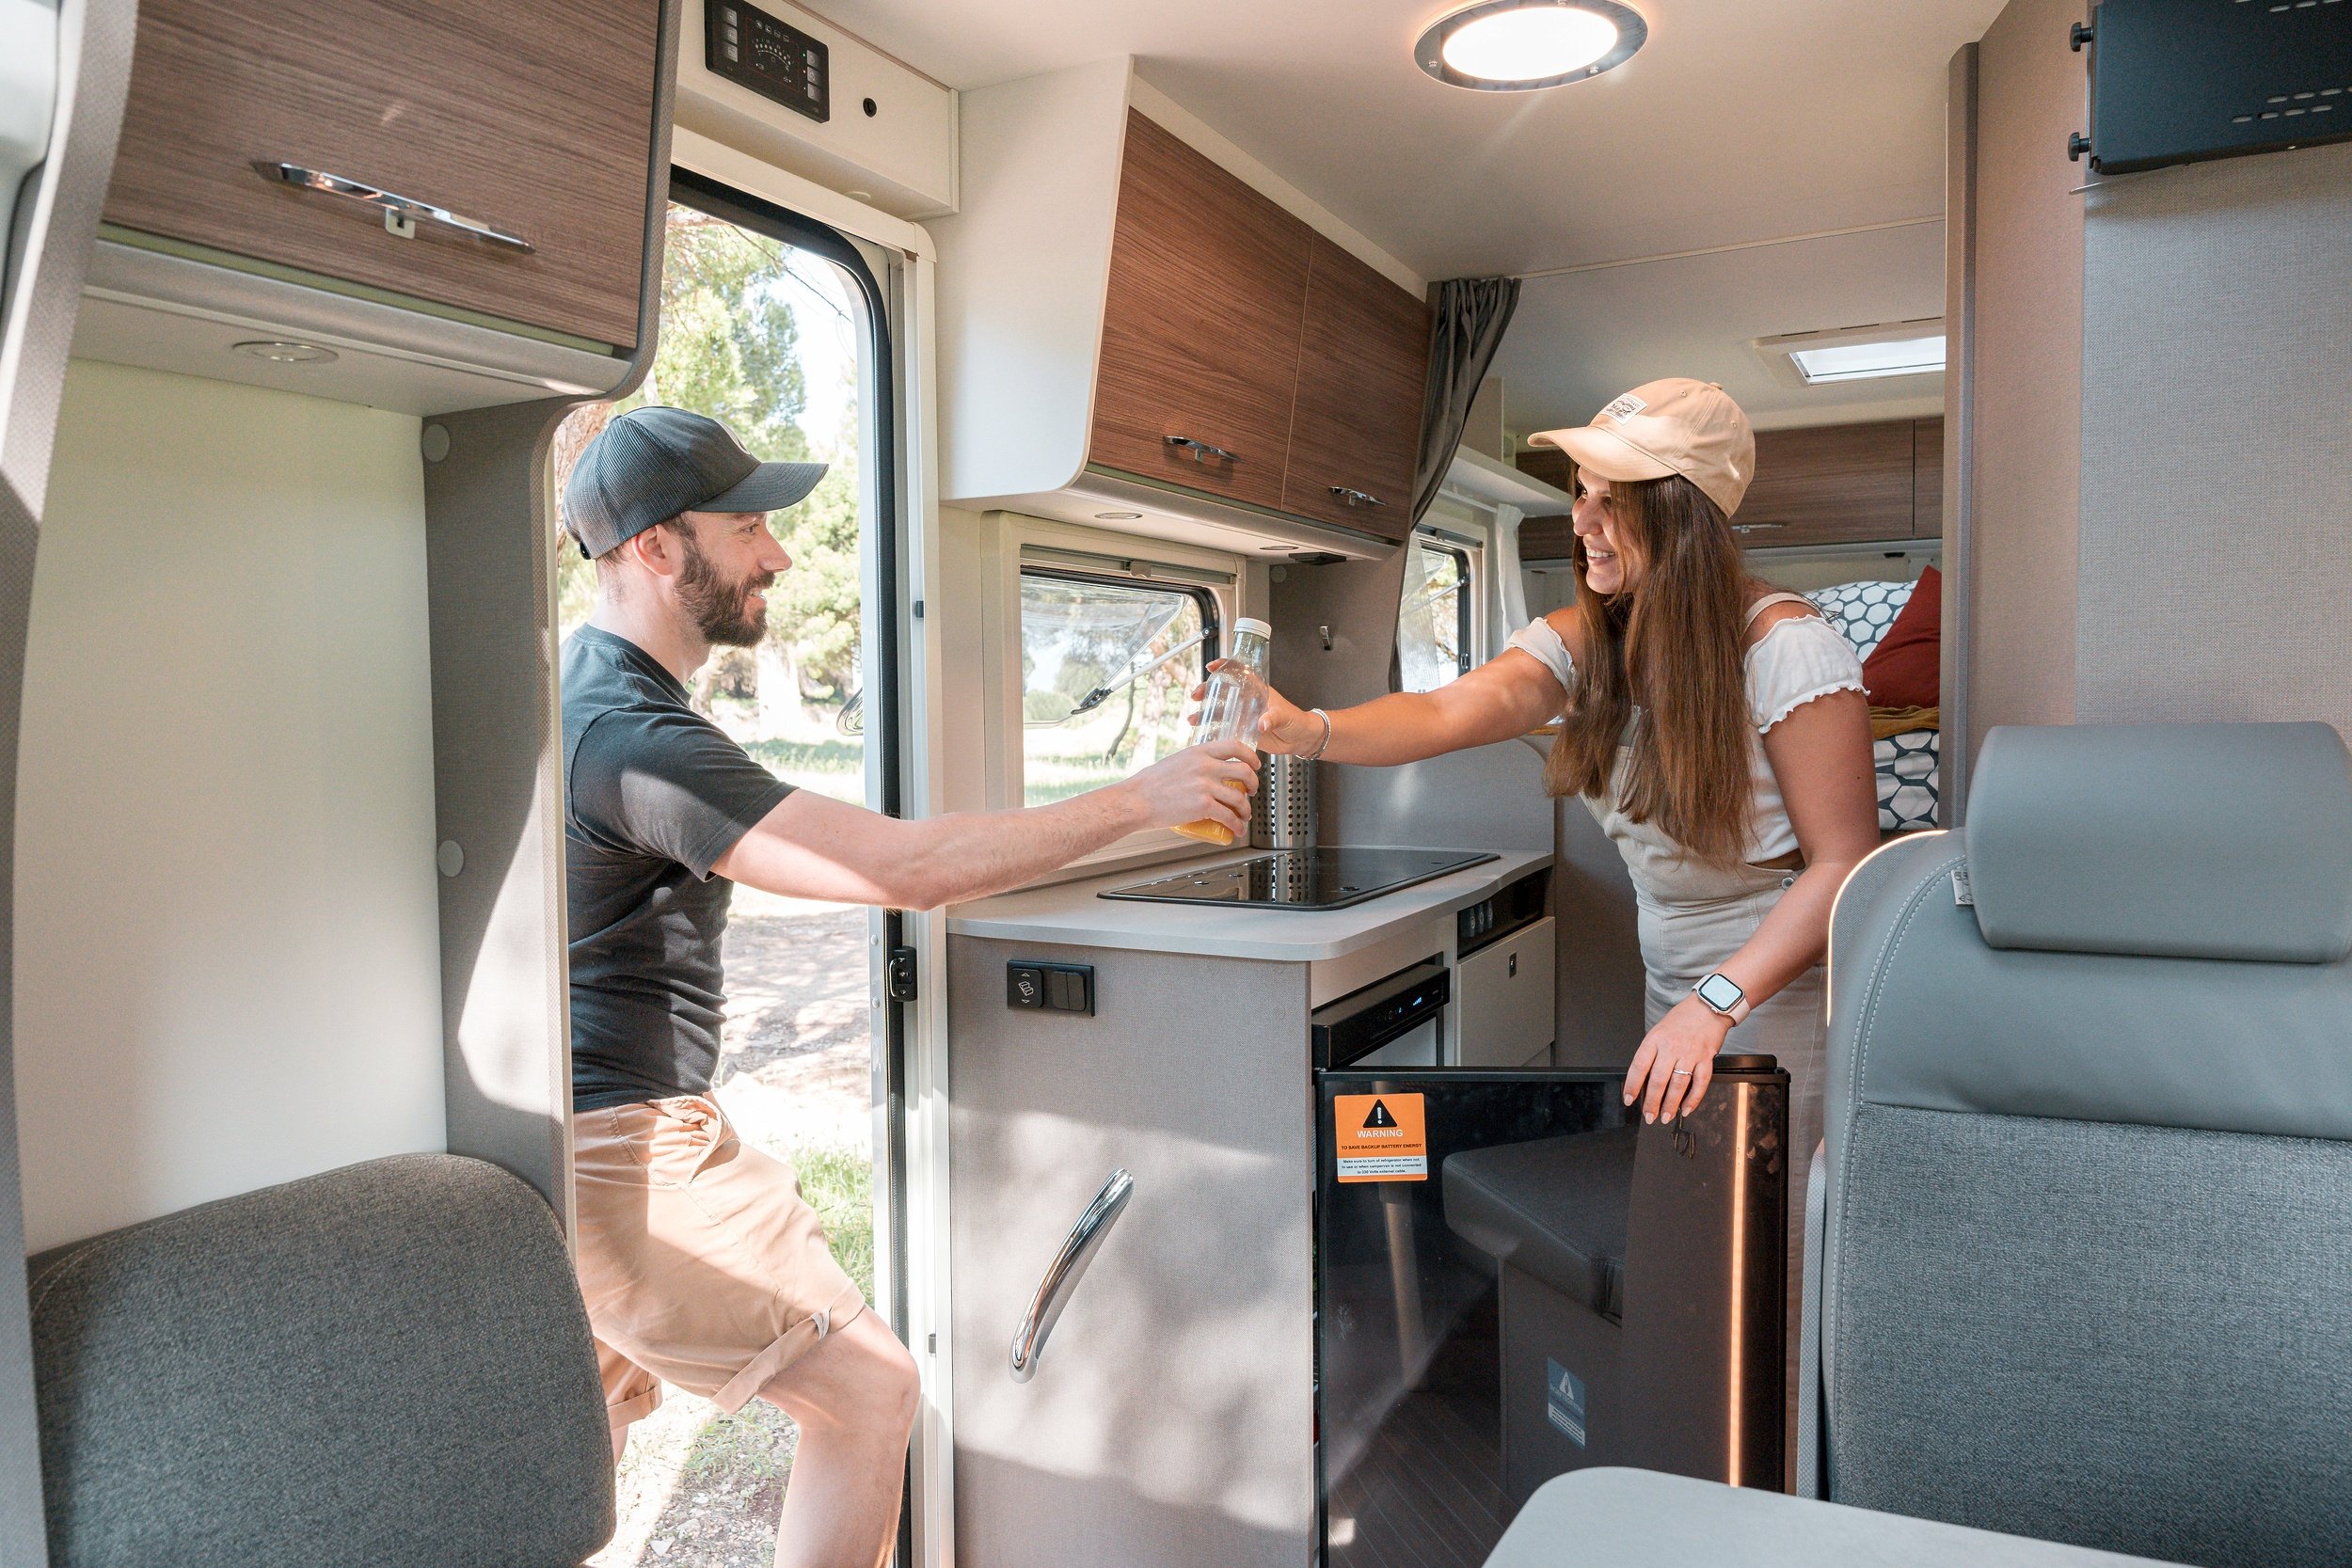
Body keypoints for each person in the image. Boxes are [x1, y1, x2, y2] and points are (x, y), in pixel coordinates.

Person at [558, 406, 1258, 1568]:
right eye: (746, 526)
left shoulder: (589, 691)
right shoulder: (630, 735)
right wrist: (1144, 797)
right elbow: (902, 868)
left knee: (579, 1445)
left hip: (583, 1137)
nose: (778, 552)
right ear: (654, 546)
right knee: (868, 1391)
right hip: (626, 1150)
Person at [1234, 378, 1878, 1471]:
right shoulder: (1591, 639)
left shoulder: (1787, 648)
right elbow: (1450, 708)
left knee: (1769, 1273)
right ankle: (1696, 1480)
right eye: (1578, 492)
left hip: (1779, 993)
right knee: (1694, 1260)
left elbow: (1843, 864)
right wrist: (1312, 729)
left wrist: (1718, 1002)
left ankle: (1780, 1502)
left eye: (1607, 497)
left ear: (1679, 509)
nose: (1580, 520)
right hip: (1677, 988)